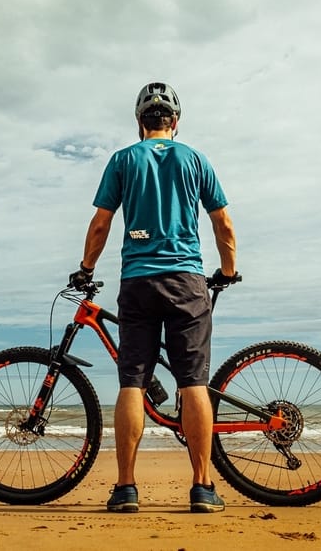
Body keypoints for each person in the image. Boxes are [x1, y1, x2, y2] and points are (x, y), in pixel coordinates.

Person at [69, 82, 238, 514]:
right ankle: (202, 487)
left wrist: (86, 269)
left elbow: (101, 224)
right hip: (186, 281)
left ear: (139, 123)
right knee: (193, 382)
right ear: (175, 123)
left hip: (139, 283)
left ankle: (125, 488)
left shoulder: (124, 159)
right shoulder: (195, 159)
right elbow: (223, 224)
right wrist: (229, 269)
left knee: (131, 382)